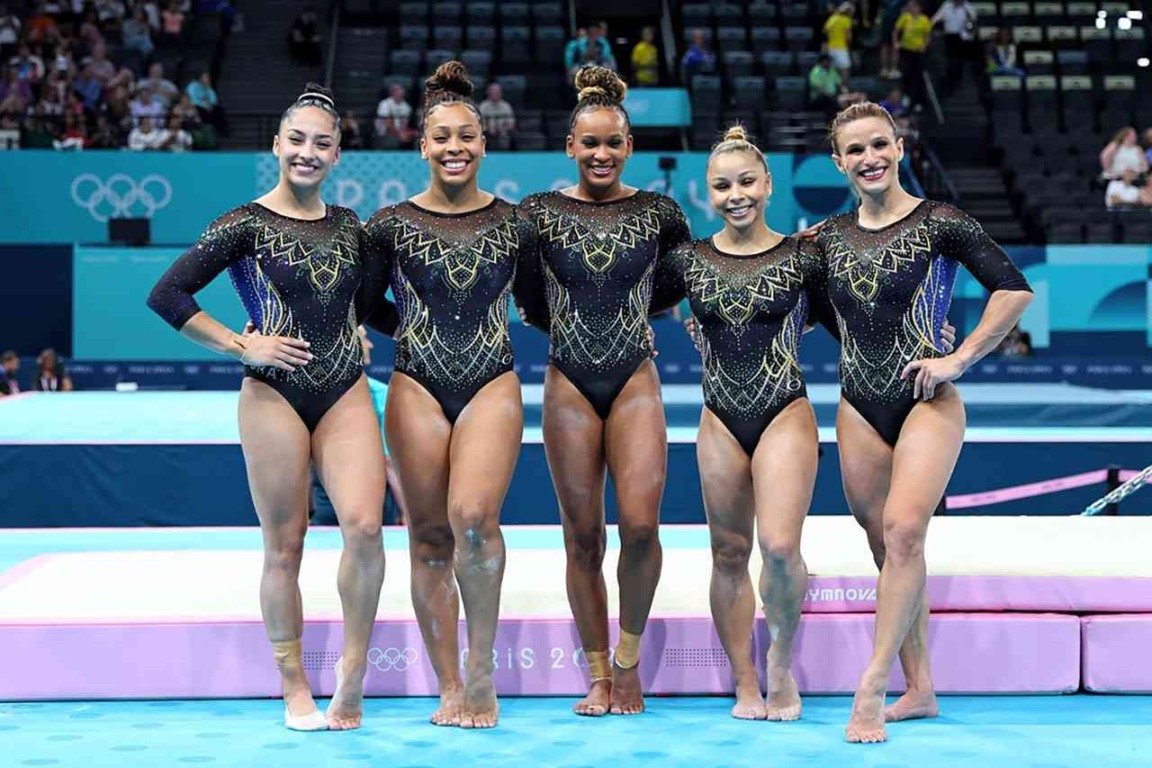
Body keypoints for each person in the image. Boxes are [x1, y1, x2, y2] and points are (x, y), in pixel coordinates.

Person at [146, 84, 386, 732]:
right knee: (286, 544)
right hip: (272, 392)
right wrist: (239, 343)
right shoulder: (244, 223)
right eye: (297, 140)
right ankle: (293, 684)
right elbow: (168, 295)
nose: (308, 152)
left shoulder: (351, 227)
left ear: (338, 155)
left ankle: (353, 672)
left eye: (322, 143)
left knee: (365, 527)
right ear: (277, 144)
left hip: (344, 389)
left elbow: (374, 308)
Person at [816, 102, 1033, 743]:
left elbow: (1013, 288)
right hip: (858, 405)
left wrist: (959, 358)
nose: (870, 159)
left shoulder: (940, 222)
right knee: (886, 548)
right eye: (856, 150)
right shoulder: (825, 238)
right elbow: (780, 294)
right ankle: (921, 689)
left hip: (927, 401)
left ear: (900, 147)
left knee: (905, 531)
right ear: (839, 162)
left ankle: (872, 685)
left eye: (879, 145)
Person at [361, 61, 537, 730]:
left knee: (473, 517)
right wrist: (412, 328)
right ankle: (449, 682)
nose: (454, 147)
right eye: (442, 137)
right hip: (417, 383)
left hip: (491, 380)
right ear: (422, 146)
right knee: (429, 534)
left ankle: (483, 667)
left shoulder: (517, 224)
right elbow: (361, 302)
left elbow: (546, 300)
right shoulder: (389, 225)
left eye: (466, 136)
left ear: (485, 143)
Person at [516, 65, 691, 718]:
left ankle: (627, 662)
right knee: (583, 538)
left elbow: (679, 281)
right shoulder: (539, 214)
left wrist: (634, 317)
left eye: (613, 143)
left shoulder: (659, 213)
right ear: (570, 146)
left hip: (633, 379)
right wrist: (571, 327)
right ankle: (596, 674)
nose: (601, 154)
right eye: (589, 143)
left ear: (629, 147)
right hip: (568, 381)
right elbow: (529, 298)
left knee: (641, 527)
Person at [654, 125, 834, 721]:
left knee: (779, 547)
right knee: (728, 552)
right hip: (719, 417)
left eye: (747, 182)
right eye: (722, 186)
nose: (736, 195)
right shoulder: (688, 260)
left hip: (784, 410)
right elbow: (626, 299)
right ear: (707, 192)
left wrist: (933, 337)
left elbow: (855, 318)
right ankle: (745, 679)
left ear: (769, 183)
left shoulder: (804, 257)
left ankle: (780, 661)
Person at [931, 0, 977, 94]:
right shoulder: (946, 5)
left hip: (963, 38)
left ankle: (959, 81)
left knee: (959, 60)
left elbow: (972, 24)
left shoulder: (968, 7)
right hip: (949, 37)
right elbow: (935, 19)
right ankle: (950, 82)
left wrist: (969, 36)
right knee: (950, 60)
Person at [1101, 127, 1152, 208]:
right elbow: (1104, 157)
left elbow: (1144, 166)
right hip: (1117, 178)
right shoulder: (1115, 146)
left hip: (1134, 179)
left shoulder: (1137, 149)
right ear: (1125, 136)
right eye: (1132, 135)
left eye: (1135, 135)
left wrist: (1139, 173)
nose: (1135, 137)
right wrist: (1109, 170)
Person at [893, 1, 932, 109]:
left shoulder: (924, 20)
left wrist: (924, 46)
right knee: (906, 74)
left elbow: (927, 35)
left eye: (914, 7)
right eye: (910, 7)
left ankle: (920, 101)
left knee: (918, 76)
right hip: (906, 50)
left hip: (918, 51)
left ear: (919, 8)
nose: (911, 9)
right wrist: (896, 42)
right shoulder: (905, 17)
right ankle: (907, 98)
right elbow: (896, 30)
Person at [478, 81, 515, 151]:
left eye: (497, 92)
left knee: (507, 137)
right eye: (492, 92)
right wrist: (489, 129)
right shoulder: (483, 106)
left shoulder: (506, 106)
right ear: (488, 93)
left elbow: (511, 124)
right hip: (487, 132)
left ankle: (504, 154)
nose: (494, 94)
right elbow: (479, 123)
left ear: (501, 93)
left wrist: (502, 129)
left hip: (503, 132)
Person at [824, 3, 854, 77]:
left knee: (834, 68)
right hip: (841, 48)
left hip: (831, 48)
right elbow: (849, 37)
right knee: (845, 68)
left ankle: (835, 83)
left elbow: (826, 31)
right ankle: (843, 83)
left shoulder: (832, 18)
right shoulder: (846, 20)